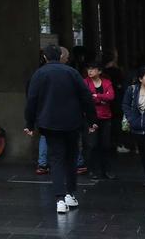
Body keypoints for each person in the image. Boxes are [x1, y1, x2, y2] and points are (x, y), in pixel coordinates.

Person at [25, 45, 97, 215]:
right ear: (61, 57)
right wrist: (92, 120)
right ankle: (71, 194)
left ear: (45, 57)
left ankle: (59, 199)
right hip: (72, 122)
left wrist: (30, 124)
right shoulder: (71, 72)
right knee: (71, 158)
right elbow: (86, 96)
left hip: (49, 123)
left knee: (56, 159)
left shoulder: (39, 74)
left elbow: (31, 100)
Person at [83, 62, 116, 179]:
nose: (90, 71)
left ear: (99, 71)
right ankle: (92, 170)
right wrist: (102, 98)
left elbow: (111, 96)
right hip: (91, 118)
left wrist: (96, 96)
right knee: (92, 144)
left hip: (106, 117)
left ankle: (106, 170)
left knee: (106, 144)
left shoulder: (107, 82)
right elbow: (86, 97)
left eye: (93, 69)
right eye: (89, 69)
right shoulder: (85, 82)